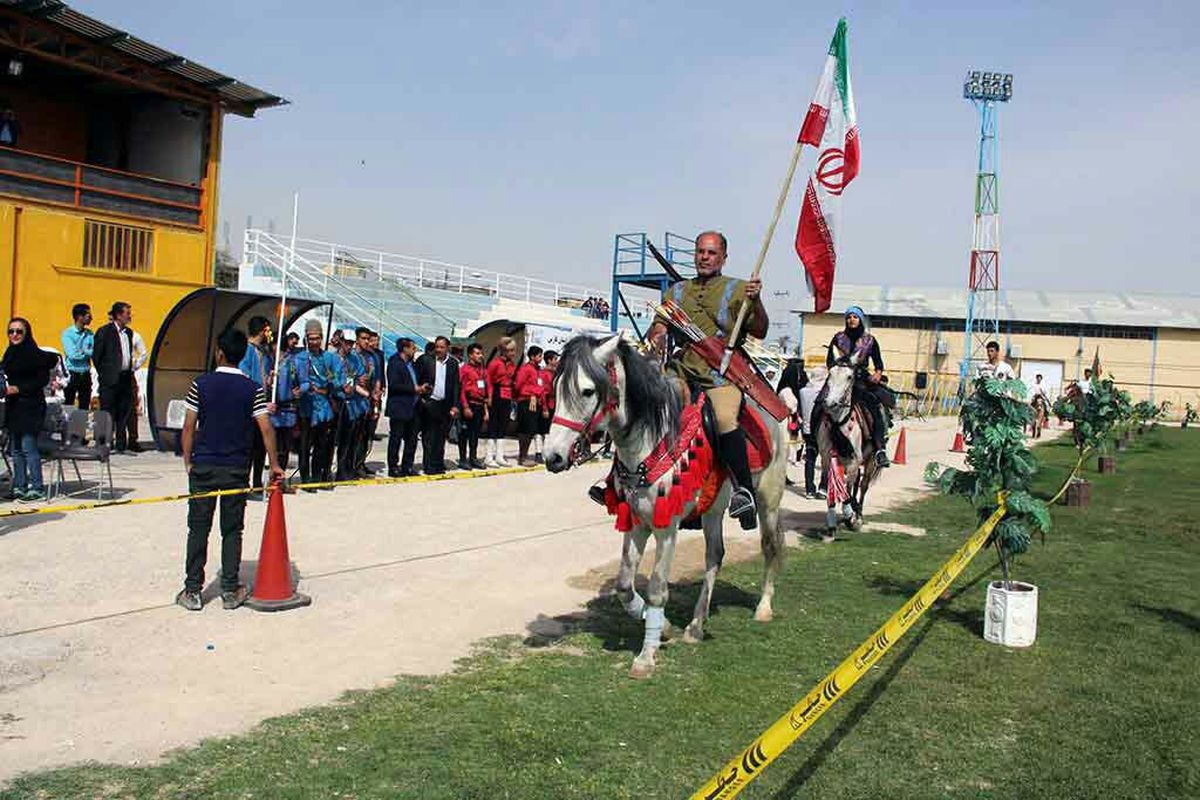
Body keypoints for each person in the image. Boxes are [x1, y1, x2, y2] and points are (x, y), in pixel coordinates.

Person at [646, 230, 768, 526]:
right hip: (680, 370)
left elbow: (761, 330)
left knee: (725, 418)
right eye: (700, 251)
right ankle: (620, 480)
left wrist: (758, 301)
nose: (704, 257)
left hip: (721, 373)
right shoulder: (675, 292)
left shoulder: (739, 289)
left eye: (711, 252)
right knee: (644, 406)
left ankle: (744, 492)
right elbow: (658, 325)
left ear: (724, 257)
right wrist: (657, 337)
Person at [175, 328, 284, 611]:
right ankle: (230, 590)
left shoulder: (201, 383)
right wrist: (274, 464)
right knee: (232, 529)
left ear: (220, 352)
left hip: (205, 465)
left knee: (198, 527)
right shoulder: (252, 389)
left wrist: (188, 460)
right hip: (236, 467)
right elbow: (266, 429)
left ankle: (192, 590)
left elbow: (189, 426)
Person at [824, 305, 892, 468]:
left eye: (855, 317)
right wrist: (837, 372)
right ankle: (811, 442)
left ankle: (879, 449)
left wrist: (877, 373)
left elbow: (878, 362)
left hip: (861, 380)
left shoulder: (869, 340)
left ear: (860, 319)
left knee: (875, 407)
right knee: (820, 404)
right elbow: (829, 361)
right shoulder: (838, 338)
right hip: (840, 379)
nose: (851, 320)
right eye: (849, 317)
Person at [3, 318, 58, 502]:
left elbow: (41, 380)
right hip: (14, 406)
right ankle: (19, 485)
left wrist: (19, 388)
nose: (15, 335)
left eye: (19, 331)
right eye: (11, 331)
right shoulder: (10, 353)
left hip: (31, 406)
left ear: (26, 333)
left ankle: (37, 487)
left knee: (28, 447)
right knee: (16, 449)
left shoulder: (34, 355)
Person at [294, 319, 342, 491]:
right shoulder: (300, 358)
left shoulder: (330, 357)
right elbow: (299, 380)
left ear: (322, 338)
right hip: (307, 406)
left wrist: (333, 380)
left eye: (317, 338)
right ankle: (306, 479)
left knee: (322, 444)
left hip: (324, 406)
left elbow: (338, 380)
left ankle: (316, 477)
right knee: (305, 445)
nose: (314, 341)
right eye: (310, 338)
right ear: (306, 339)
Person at [238, 316, 276, 494]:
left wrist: (268, 380)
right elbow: (245, 377)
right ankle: (244, 483)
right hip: (250, 408)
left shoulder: (263, 352)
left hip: (262, 405)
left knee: (261, 447)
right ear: (263, 330)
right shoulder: (247, 350)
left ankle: (257, 482)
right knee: (248, 447)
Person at [92, 301, 135, 453]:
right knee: (107, 411)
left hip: (124, 377)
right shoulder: (104, 332)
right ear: (118, 315)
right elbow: (97, 356)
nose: (129, 316)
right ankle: (104, 443)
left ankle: (121, 444)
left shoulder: (129, 333)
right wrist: (105, 373)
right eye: (127, 313)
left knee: (123, 411)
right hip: (109, 379)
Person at [417, 335, 459, 475]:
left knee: (441, 436)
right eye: (437, 347)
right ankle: (429, 465)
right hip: (429, 402)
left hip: (445, 405)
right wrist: (421, 399)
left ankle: (438, 463)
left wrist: (455, 405)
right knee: (428, 435)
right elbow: (417, 380)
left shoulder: (453, 363)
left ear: (448, 348)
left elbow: (455, 386)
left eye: (442, 347)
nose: (439, 350)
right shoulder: (426, 360)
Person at [386, 337, 425, 477]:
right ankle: (393, 467)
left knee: (412, 438)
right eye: (413, 348)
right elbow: (394, 385)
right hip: (400, 406)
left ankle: (407, 466)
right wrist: (413, 389)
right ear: (405, 348)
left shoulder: (412, 364)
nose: (415, 350)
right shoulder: (394, 362)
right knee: (396, 438)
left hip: (414, 406)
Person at [485, 336, 517, 467]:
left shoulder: (512, 364)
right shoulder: (495, 364)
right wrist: (490, 397)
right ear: (503, 351)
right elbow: (489, 381)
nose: (513, 353)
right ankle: (488, 456)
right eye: (511, 350)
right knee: (493, 426)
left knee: (503, 426)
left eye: (514, 350)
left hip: (507, 394)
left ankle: (499, 456)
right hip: (497, 393)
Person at [798, 366, 829, 499]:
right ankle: (823, 487)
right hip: (823, 430)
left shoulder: (803, 391)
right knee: (826, 459)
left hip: (807, 430)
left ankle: (809, 489)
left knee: (810, 459)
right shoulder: (825, 391)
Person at [457, 342, 490, 469]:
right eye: (477, 353)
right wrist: (465, 407)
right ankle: (462, 459)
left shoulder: (482, 370)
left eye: (481, 353)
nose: (480, 356)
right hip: (469, 404)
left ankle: (473, 457)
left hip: (479, 405)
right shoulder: (464, 369)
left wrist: (486, 409)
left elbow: (486, 390)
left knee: (475, 434)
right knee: (464, 433)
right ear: (470, 355)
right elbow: (461, 390)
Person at [514, 345, 543, 467]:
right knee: (525, 429)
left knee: (531, 430)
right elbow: (518, 384)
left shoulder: (538, 370)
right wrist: (529, 394)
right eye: (539, 356)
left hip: (535, 401)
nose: (541, 358)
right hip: (526, 401)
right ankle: (522, 456)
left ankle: (525, 455)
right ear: (532, 356)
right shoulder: (526, 369)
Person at [61, 303, 94, 410]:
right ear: (80, 317)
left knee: (84, 405)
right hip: (72, 373)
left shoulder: (90, 334)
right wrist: (88, 352)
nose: (91, 318)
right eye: (88, 315)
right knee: (68, 404)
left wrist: (84, 351)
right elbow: (72, 355)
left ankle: (81, 426)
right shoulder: (67, 334)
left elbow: (96, 351)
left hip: (85, 373)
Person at [537, 350, 559, 463]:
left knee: (551, 430)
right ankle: (540, 453)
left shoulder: (556, 373)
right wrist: (544, 408)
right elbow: (543, 392)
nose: (557, 361)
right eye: (555, 359)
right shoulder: (544, 373)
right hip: (547, 403)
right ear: (549, 360)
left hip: (555, 403)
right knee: (543, 430)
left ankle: (550, 451)